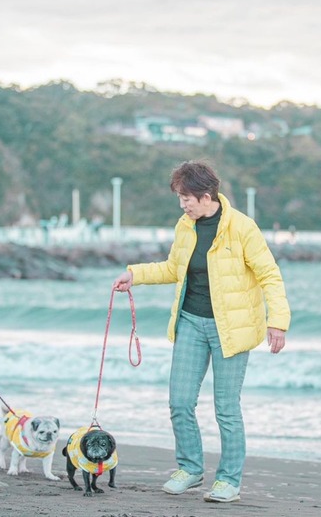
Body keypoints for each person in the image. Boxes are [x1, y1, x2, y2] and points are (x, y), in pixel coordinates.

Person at [112, 160, 290, 503]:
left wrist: (277, 321)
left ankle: (229, 480)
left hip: (232, 329)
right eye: (180, 199)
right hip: (191, 321)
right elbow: (172, 268)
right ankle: (191, 468)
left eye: (186, 199)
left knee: (226, 407)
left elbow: (269, 274)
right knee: (179, 401)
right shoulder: (186, 226)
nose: (183, 205)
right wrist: (135, 274)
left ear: (206, 196)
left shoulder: (242, 228)